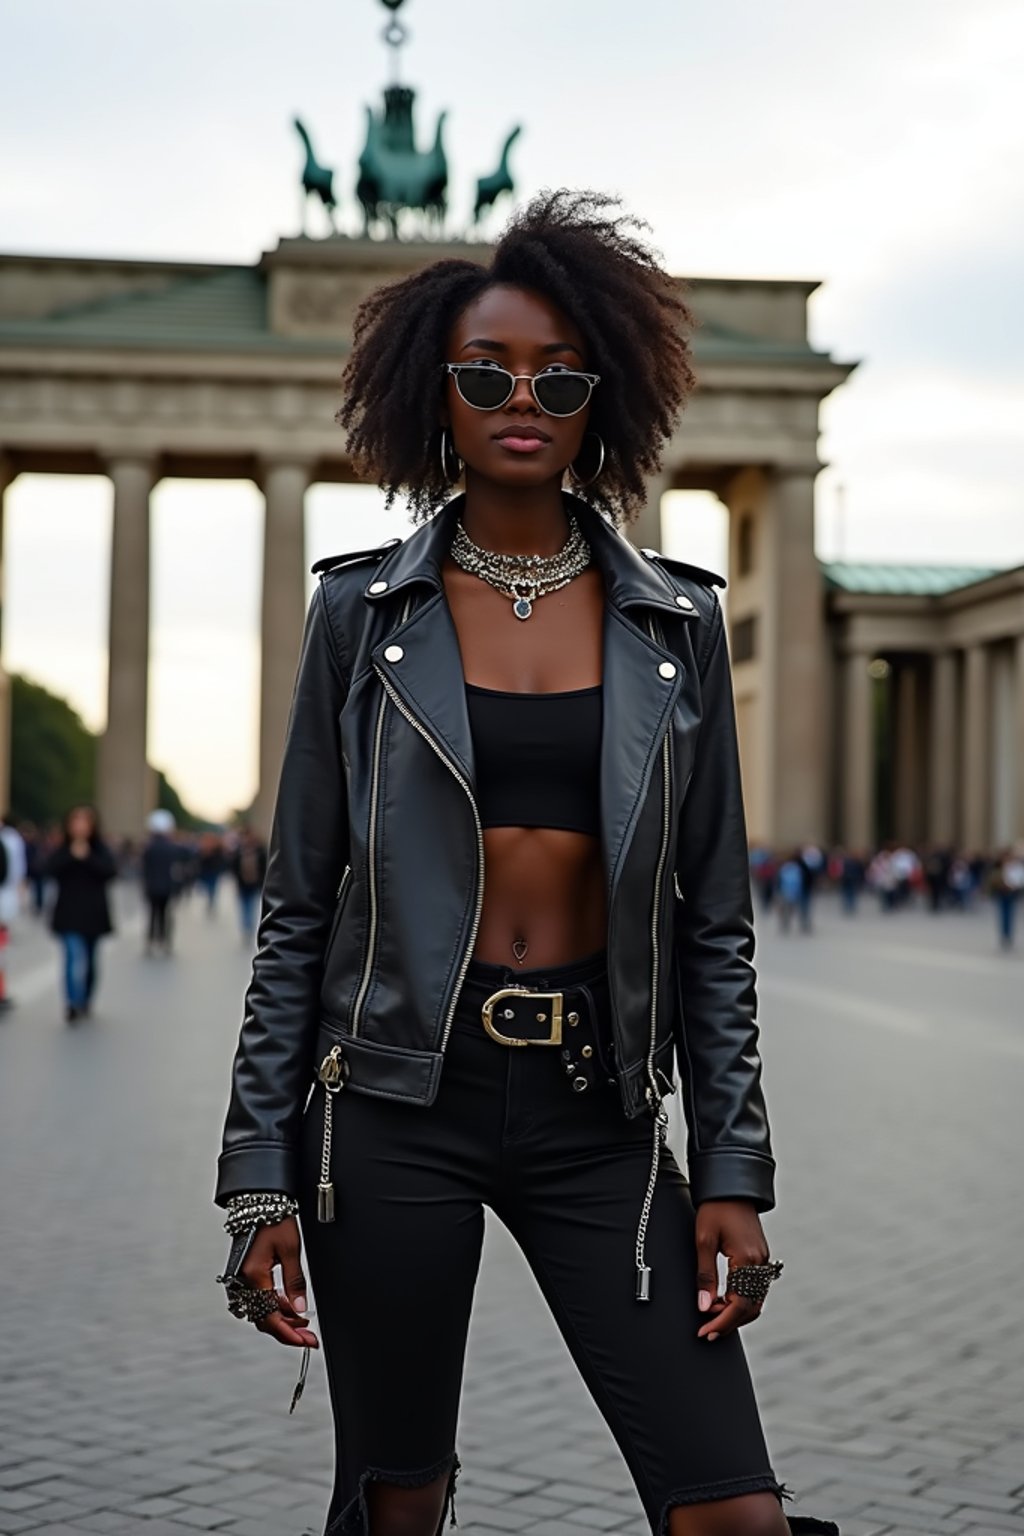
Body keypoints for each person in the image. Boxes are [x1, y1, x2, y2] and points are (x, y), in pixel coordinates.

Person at [214, 193, 836, 1536]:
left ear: (603, 394)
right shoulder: (359, 612)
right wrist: (259, 1170)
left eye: (561, 376)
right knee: (401, 1501)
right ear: (430, 395)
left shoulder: (677, 623)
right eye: (486, 372)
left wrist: (732, 1172)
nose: (522, 397)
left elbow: (714, 924)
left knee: (732, 1508)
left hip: (595, 1110)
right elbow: (298, 907)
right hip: (388, 1108)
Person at [43, 805, 116, 1023]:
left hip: (93, 914)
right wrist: (71, 856)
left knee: (90, 962)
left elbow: (109, 873)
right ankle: (72, 1002)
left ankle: (85, 999)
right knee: (72, 958)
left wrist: (87, 858)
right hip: (69, 913)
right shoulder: (63, 849)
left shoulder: (100, 849)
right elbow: (49, 870)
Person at [141, 808, 183, 955]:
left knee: (153, 915)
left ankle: (151, 941)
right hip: (167, 886)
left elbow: (145, 870)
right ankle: (165, 941)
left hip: (152, 886)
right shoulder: (172, 848)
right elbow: (176, 870)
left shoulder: (149, 848)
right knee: (166, 915)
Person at [229, 825, 268, 941]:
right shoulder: (238, 851)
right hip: (242, 884)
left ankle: (249, 926)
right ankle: (245, 927)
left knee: (251, 906)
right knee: (243, 906)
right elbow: (234, 867)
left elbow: (264, 867)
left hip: (255, 883)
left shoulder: (260, 850)